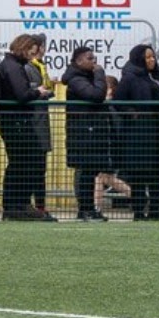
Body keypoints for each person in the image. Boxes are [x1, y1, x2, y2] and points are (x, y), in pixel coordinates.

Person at [0, 33, 53, 220]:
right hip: (16, 121)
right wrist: (37, 91)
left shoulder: (12, 65)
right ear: (24, 47)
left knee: (21, 163)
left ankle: (17, 205)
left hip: (14, 120)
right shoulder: (13, 67)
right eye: (31, 51)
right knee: (23, 163)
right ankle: (17, 205)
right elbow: (21, 94)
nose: (32, 56)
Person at [115, 44, 159, 221]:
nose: (151, 60)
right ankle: (139, 211)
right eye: (147, 57)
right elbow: (119, 101)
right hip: (140, 134)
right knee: (140, 173)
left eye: (153, 57)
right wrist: (132, 113)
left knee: (158, 172)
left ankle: (155, 209)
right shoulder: (129, 78)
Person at [61, 46, 113, 222]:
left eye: (94, 58)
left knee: (91, 171)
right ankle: (84, 210)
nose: (94, 62)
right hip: (82, 131)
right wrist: (100, 75)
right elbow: (96, 95)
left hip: (91, 130)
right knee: (85, 171)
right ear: (78, 61)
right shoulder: (76, 80)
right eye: (90, 58)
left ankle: (89, 208)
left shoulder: (85, 77)